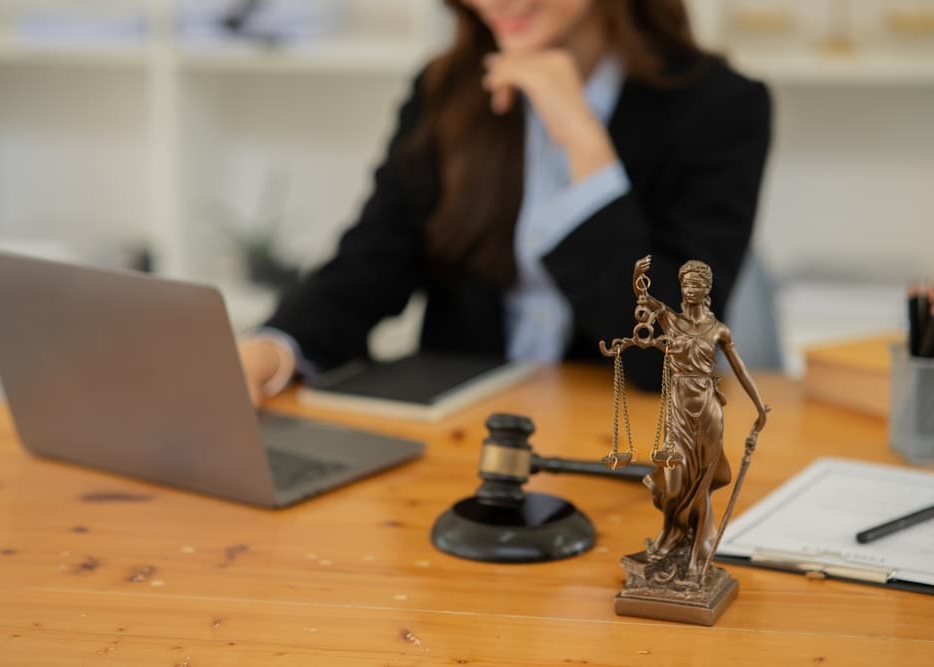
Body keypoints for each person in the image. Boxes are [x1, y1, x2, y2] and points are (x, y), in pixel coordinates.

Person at [239, 0, 772, 403]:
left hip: (623, 448)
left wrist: (583, 142)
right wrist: (273, 348)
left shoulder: (721, 107)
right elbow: (369, 264)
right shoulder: (446, 88)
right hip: (464, 444)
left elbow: (673, 360)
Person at [630, 255, 768, 581]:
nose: (691, 289)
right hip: (678, 408)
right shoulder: (670, 320)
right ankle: (670, 535)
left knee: (701, 486)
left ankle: (695, 555)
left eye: (698, 284)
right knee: (675, 485)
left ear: (707, 289)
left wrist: (760, 408)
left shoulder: (718, 330)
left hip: (707, 410)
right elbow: (644, 299)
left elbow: (740, 370)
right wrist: (639, 276)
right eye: (687, 283)